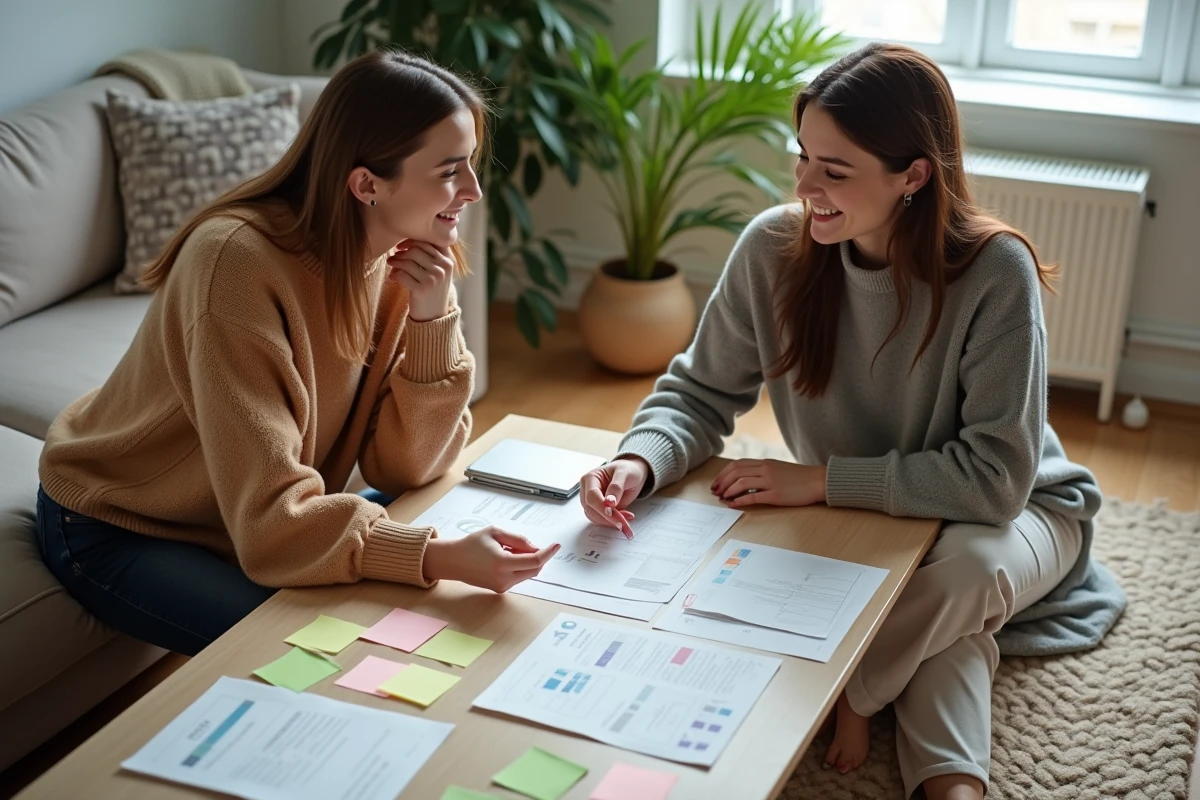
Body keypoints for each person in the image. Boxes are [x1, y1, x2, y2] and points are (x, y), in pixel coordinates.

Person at [581, 43, 1112, 800]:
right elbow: (698, 392)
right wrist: (638, 462)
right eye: (803, 157)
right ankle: (955, 789)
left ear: (913, 176)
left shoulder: (995, 272)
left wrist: (820, 483)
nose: (804, 185)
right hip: (874, 523)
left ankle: (847, 692)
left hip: (1020, 509)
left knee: (963, 574)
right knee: (941, 632)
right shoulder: (773, 247)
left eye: (834, 170)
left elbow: (996, 480)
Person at [35, 49, 558, 659]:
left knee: (422, 610)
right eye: (448, 171)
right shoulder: (234, 265)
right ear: (366, 184)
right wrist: (436, 556)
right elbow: (271, 526)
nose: (471, 190)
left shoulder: (400, 260)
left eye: (468, 164)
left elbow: (406, 469)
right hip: (121, 526)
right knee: (325, 655)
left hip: (249, 517)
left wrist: (432, 317)